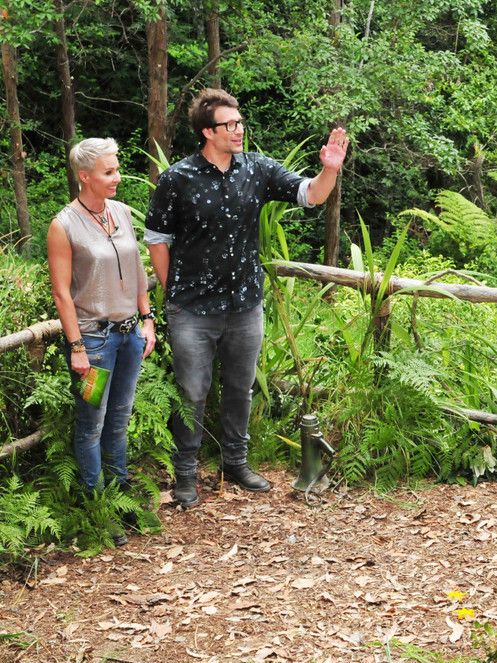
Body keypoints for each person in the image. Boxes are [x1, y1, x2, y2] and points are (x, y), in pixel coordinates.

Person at [144, 88, 349, 508]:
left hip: (244, 304)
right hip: (192, 308)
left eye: (239, 123)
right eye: (229, 124)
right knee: (191, 391)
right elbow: (157, 239)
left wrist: (329, 170)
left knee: (241, 388)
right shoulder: (177, 179)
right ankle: (185, 474)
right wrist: (172, 293)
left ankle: (235, 463)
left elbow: (311, 194)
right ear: (207, 131)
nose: (239, 130)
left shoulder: (256, 169)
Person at [47, 137, 158, 545]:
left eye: (117, 169)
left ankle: (120, 496)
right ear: (84, 176)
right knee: (92, 424)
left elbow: (138, 269)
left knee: (120, 419)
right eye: (109, 171)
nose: (117, 177)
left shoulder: (122, 212)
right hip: (93, 343)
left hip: (129, 338)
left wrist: (148, 319)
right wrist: (76, 347)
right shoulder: (63, 225)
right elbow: (62, 293)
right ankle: (97, 506)